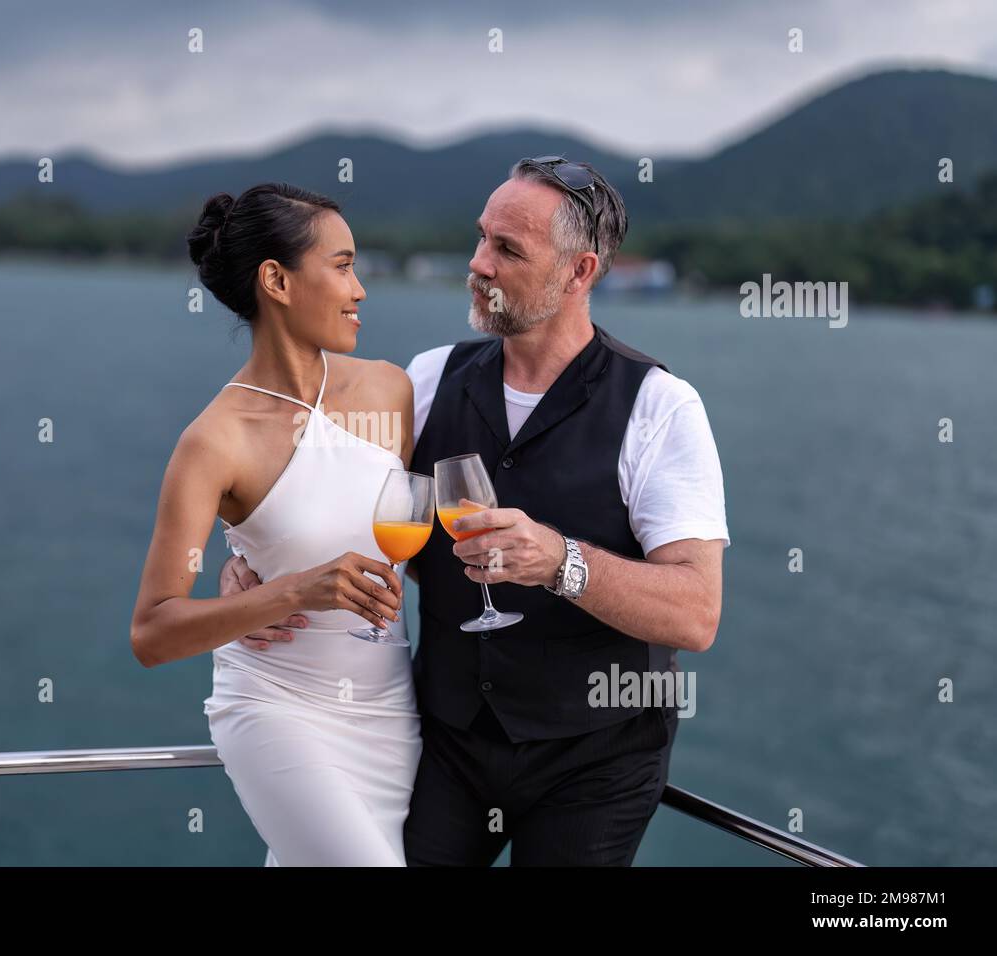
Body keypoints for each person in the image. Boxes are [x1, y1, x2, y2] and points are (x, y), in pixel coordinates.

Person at [222, 157, 730, 865]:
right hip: (450, 742)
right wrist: (253, 567)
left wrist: (561, 561)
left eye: (507, 250)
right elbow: (320, 496)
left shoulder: (660, 408)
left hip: (597, 763)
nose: (477, 264)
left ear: (579, 273)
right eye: (481, 238)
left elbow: (696, 612)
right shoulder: (428, 378)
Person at [130, 182, 421, 866]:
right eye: (343, 265)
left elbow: (402, 536)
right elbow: (152, 632)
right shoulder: (215, 441)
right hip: (278, 710)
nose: (361, 289)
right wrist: (287, 593)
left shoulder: (391, 390)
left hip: (388, 714)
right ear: (276, 280)